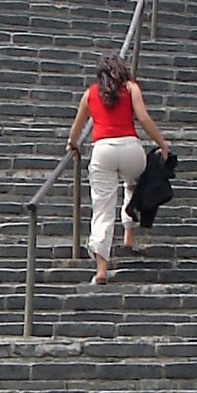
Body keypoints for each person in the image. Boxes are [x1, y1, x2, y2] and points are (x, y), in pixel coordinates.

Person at [67, 53, 171, 284]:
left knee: (102, 207)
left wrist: (73, 144)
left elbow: (77, 126)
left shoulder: (90, 94)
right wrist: (162, 145)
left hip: (102, 149)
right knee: (133, 185)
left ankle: (102, 268)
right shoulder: (131, 88)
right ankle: (128, 236)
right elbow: (143, 119)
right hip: (130, 148)